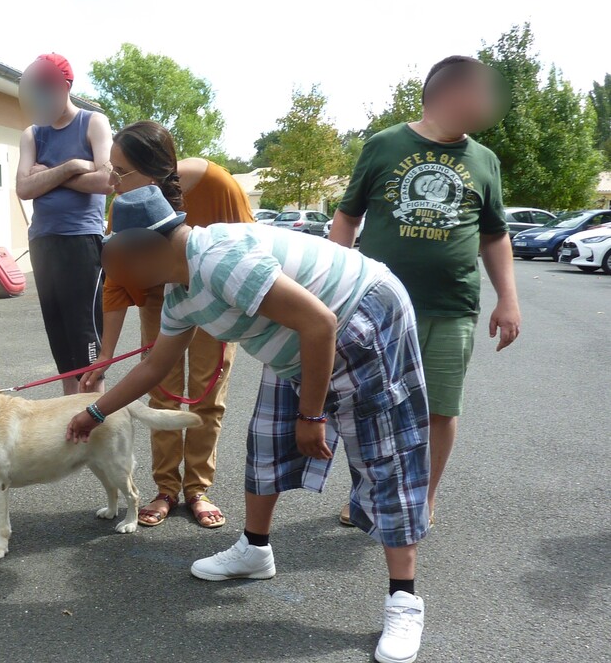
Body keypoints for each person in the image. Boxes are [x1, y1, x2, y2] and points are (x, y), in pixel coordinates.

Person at [67, 185, 432, 663]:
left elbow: (320, 322)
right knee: (265, 442)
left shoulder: (218, 259)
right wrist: (93, 412)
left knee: (385, 457)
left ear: (148, 247)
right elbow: (155, 367)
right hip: (298, 340)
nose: (125, 281)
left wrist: (312, 415)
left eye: (122, 263)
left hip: (360, 313)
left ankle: (404, 598)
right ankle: (255, 551)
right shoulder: (179, 292)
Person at [330, 55, 520, 528]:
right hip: (377, 305)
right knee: (373, 406)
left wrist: (509, 299)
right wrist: (332, 282)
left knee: (439, 409)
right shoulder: (384, 145)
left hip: (451, 307)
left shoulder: (484, 161)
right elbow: (348, 216)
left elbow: (495, 234)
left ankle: (422, 497)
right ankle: (371, 495)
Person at [80, 121, 254, 528]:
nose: (111, 181)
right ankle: (165, 488)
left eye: (120, 171)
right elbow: (118, 280)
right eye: (111, 168)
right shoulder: (124, 205)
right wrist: (105, 353)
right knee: (162, 392)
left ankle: (197, 488)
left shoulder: (218, 184)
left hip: (215, 295)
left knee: (207, 397)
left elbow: (248, 251)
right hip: (159, 300)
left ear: (155, 170)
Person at [16, 53, 113, 395]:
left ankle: (97, 424)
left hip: (81, 243)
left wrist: (58, 172)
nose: (39, 96)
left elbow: (105, 180)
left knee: (86, 343)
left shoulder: (93, 122)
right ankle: (71, 427)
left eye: (46, 88)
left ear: (64, 87)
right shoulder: (33, 133)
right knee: (61, 347)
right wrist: (73, 167)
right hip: (43, 244)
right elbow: (24, 188)